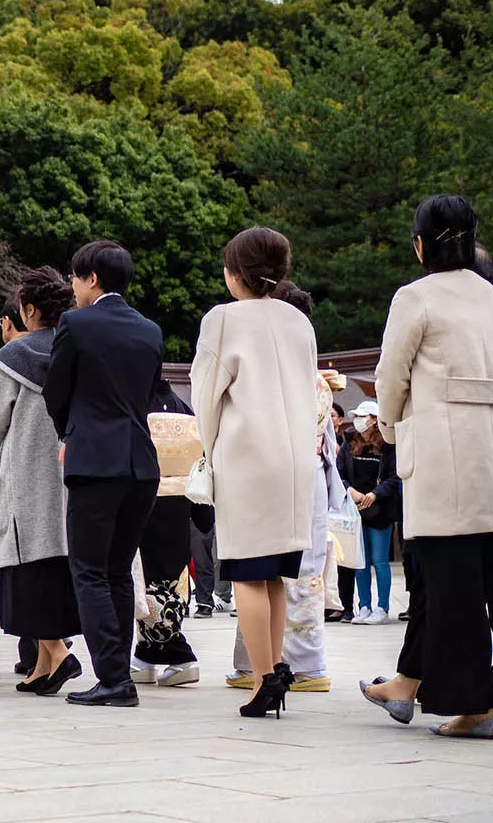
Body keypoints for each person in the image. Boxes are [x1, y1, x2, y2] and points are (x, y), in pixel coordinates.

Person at [370, 194, 493, 738]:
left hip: (443, 457)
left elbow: (390, 378)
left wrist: (394, 430)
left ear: (420, 244)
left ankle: (475, 705)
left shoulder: (414, 298)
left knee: (453, 585)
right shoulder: (490, 295)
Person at [191, 227, 317, 719]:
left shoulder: (223, 320)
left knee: (246, 571)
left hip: (248, 456)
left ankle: (265, 678)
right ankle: (277, 665)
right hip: (294, 461)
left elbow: (206, 397)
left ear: (235, 274)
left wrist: (209, 448)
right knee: (276, 574)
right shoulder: (297, 322)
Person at [44, 241, 164, 707]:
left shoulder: (76, 324)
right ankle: (120, 675)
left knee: (89, 570)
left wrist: (69, 434)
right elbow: (149, 391)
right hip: (140, 461)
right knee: (118, 570)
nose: (72, 288)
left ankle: (113, 676)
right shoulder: (150, 330)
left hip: (95, 459)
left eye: (75, 278)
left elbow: (57, 391)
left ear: (91, 278)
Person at [225, 291, 341, 693]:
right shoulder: (312, 379)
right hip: (305, 474)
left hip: (272, 470)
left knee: (266, 571)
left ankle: (290, 665)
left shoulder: (289, 377)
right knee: (292, 573)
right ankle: (285, 663)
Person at [0, 267, 84, 696]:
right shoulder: (74, 349)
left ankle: (57, 654)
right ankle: (42, 666)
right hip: (66, 468)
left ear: (28, 309)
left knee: (28, 563)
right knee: (56, 556)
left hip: (25, 471)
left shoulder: (15, 356)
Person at [132, 381, 202, 688]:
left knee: (148, 576)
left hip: (145, 497)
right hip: (180, 503)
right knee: (171, 578)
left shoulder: (135, 403)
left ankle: (179, 654)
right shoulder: (181, 406)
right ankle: (147, 653)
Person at [339, 401, 400, 625]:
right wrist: (350, 491)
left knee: (379, 560)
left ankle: (382, 607)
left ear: (374, 419)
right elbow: (339, 473)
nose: (358, 420)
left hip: (380, 509)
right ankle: (363, 605)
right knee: (360, 560)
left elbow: (395, 476)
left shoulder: (387, 445)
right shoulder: (349, 443)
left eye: (363, 416)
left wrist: (376, 493)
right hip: (355, 510)